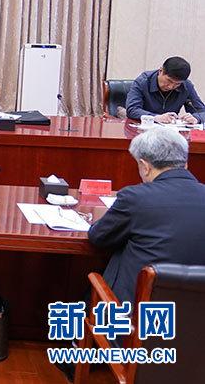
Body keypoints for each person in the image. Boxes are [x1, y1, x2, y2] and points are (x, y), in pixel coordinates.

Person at [88, 126, 205, 303]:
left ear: (145, 166)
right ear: (185, 164)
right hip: (195, 313)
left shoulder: (135, 198)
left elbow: (98, 238)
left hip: (137, 312)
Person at [125, 56, 205, 124]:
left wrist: (196, 118)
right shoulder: (143, 81)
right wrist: (156, 117)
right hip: (143, 129)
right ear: (161, 71)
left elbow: (202, 111)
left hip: (171, 131)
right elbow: (132, 110)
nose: (171, 86)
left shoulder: (186, 86)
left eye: (177, 84)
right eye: (169, 81)